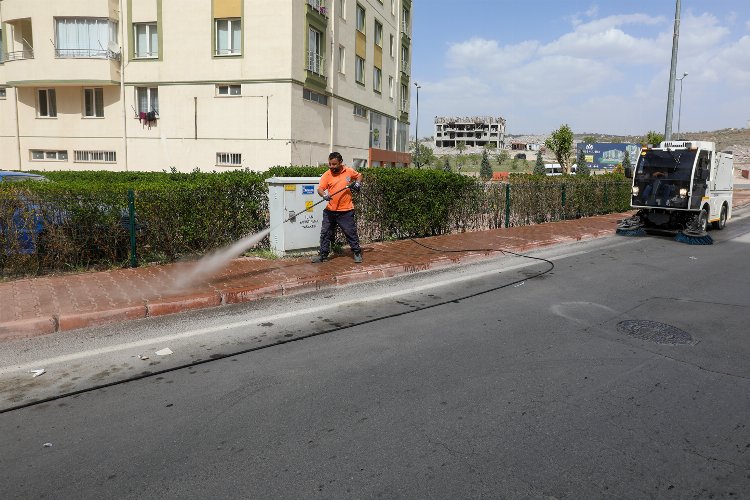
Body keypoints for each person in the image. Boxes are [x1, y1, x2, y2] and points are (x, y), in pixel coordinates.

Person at [311, 152, 363, 263]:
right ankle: (323, 255)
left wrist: (357, 184)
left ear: (340, 162)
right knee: (325, 233)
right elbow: (320, 189)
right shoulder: (327, 175)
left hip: (346, 211)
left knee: (350, 232)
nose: (331, 166)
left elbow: (359, 175)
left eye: (334, 164)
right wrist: (324, 195)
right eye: (330, 164)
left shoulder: (348, 171)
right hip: (330, 211)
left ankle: (357, 252)